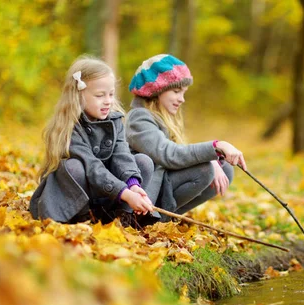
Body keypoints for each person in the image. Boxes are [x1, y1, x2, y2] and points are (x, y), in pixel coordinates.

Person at [29, 56, 154, 224]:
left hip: (109, 194)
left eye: (111, 94)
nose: (108, 101)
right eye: (100, 95)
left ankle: (123, 216)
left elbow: (122, 155)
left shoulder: (114, 121)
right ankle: (81, 217)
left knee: (143, 161)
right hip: (82, 193)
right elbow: (92, 168)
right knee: (73, 167)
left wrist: (133, 185)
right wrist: (125, 193)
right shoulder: (69, 127)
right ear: (78, 95)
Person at [125, 54, 247, 223]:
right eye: (176, 91)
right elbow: (168, 154)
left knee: (223, 169)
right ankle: (148, 220)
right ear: (157, 90)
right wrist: (216, 146)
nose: (182, 99)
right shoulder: (139, 118)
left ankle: (165, 218)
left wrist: (213, 159)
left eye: (183, 93)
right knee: (205, 169)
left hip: (162, 184)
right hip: (144, 193)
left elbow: (179, 153)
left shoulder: (163, 117)